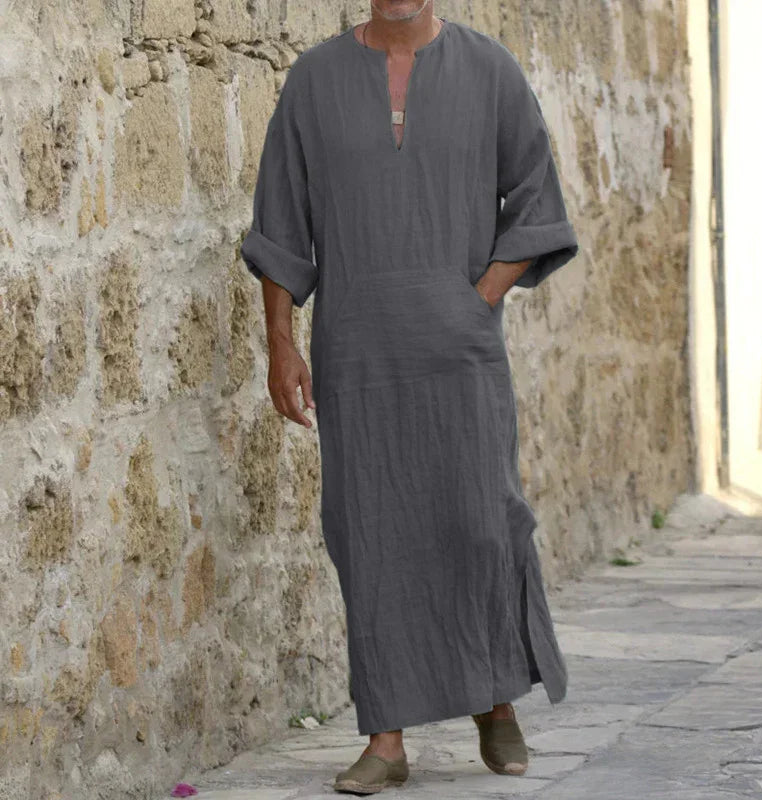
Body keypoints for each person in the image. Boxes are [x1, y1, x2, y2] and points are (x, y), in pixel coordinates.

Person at [241, 1, 579, 793]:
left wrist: (481, 296)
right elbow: (282, 221)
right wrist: (281, 342)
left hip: (460, 353)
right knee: (371, 532)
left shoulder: (489, 70)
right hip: (357, 351)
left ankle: (494, 698)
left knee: (481, 522)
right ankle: (386, 740)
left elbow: (536, 195)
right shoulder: (313, 81)